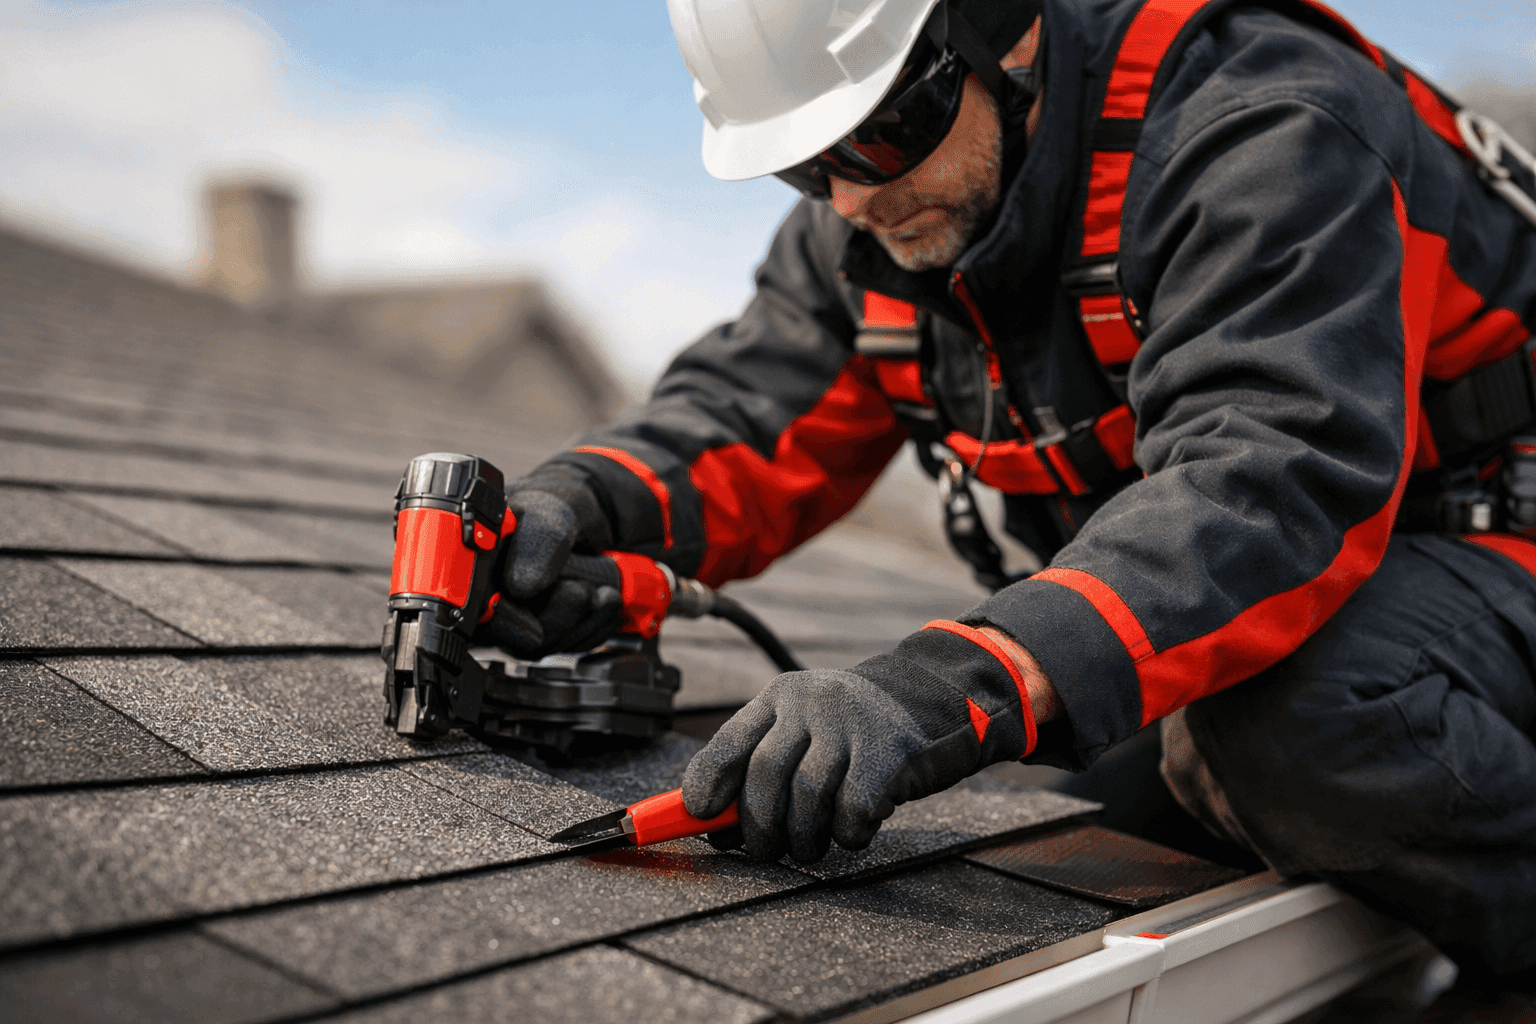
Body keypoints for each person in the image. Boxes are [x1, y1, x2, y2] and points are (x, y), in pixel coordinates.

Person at [483, 0, 1536, 1001]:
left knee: (1283, 731)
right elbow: (749, 415)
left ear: (1005, 31)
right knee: (1071, 825)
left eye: (882, 134)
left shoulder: (1262, 120)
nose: (852, 199)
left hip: (1494, 534)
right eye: (804, 164)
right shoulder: (874, 216)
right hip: (1320, 577)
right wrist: (581, 505)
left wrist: (949, 684)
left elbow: (1272, 480)